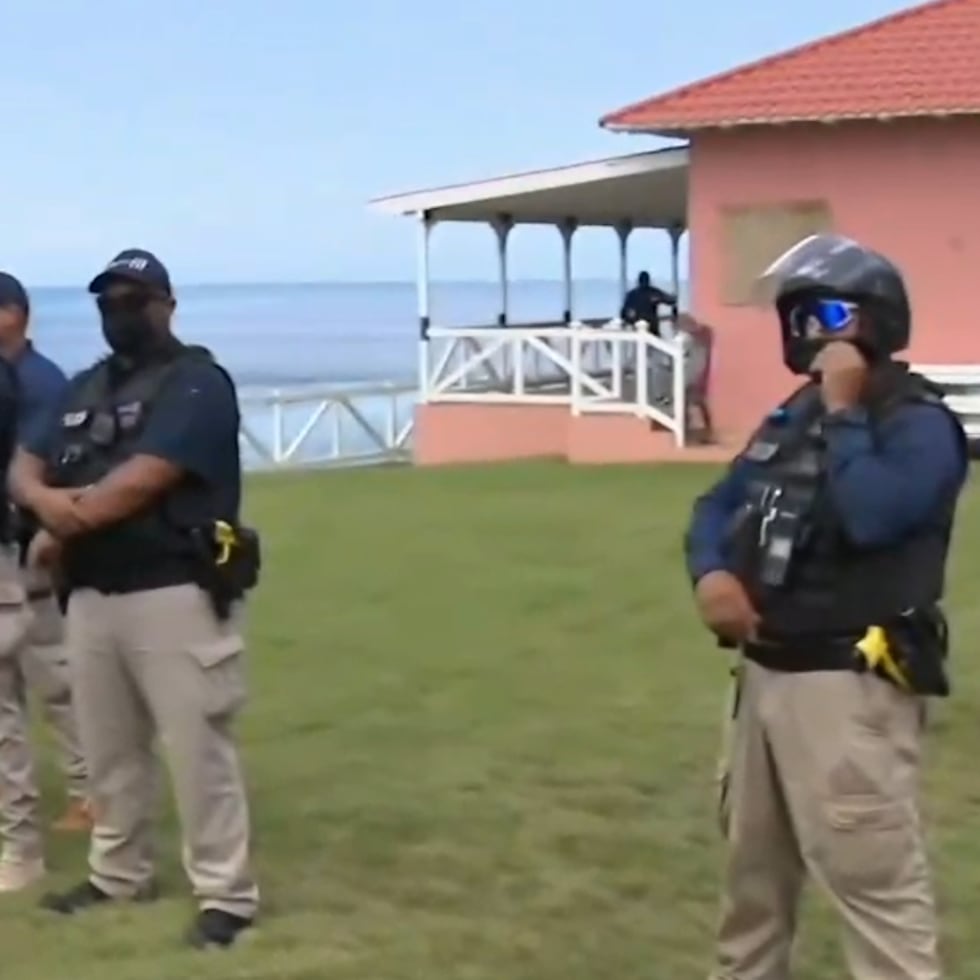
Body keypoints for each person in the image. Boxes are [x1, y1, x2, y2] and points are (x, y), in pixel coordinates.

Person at [684, 233, 967, 980]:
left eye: (833, 315)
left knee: (876, 893)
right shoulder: (792, 416)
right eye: (804, 318)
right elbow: (719, 504)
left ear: (876, 320)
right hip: (764, 680)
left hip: (848, 689)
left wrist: (844, 413)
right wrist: (712, 574)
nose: (816, 335)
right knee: (753, 889)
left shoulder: (920, 425)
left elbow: (873, 515)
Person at [9, 249, 260, 948]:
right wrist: (47, 503)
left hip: (173, 590)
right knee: (110, 752)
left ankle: (226, 895)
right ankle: (119, 873)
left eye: (133, 298)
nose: (119, 311)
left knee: (196, 749)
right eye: (108, 300)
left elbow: (145, 480)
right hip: (90, 595)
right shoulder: (84, 386)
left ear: (166, 304)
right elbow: (25, 466)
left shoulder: (197, 384)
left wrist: (62, 513)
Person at [0, 273, 91, 896]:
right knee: (42, 676)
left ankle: (90, 793)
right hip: (17, 545)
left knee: (54, 678)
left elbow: (51, 464)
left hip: (33, 547)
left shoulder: (39, 381)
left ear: (15, 315)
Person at [620, 271, 677, 335]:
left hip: (637, 328)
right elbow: (670, 300)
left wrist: (628, 321)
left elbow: (623, 312)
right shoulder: (653, 292)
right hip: (652, 327)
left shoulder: (631, 294)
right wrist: (674, 296)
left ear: (638, 281)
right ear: (649, 281)